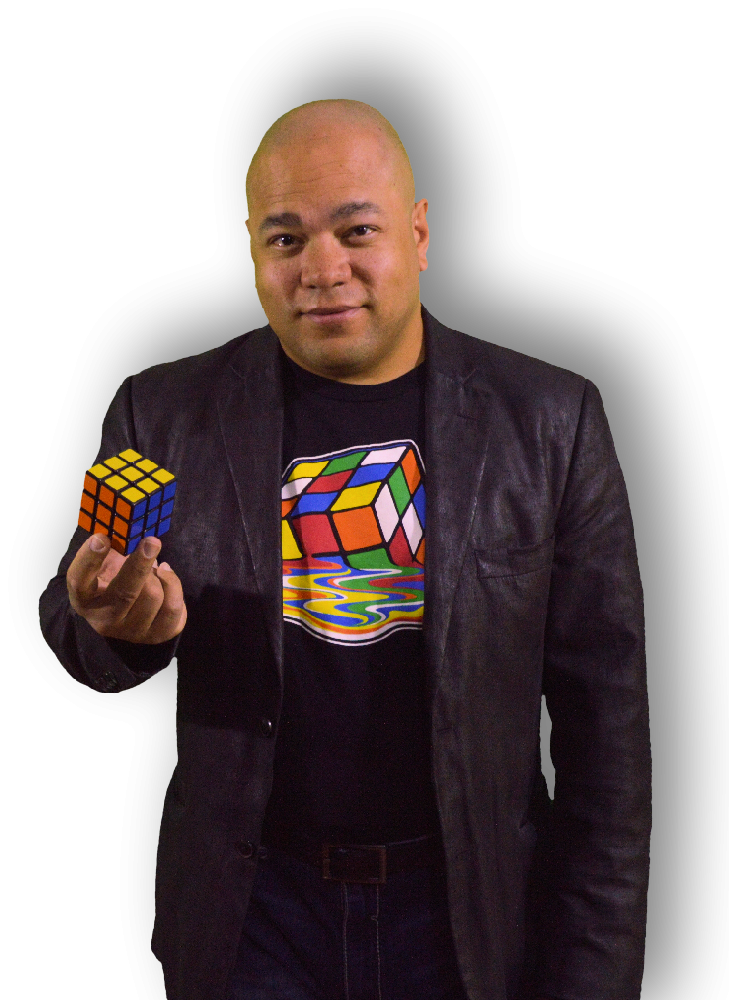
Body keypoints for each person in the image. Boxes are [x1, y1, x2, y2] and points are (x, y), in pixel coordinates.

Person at [38, 98, 651, 1000]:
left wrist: (594, 975)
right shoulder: (162, 409)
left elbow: (609, 738)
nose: (323, 269)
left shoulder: (552, 420)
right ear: (250, 250)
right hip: (252, 917)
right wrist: (115, 625)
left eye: (355, 230)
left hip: (468, 915)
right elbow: (77, 624)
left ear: (419, 233)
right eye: (285, 240)